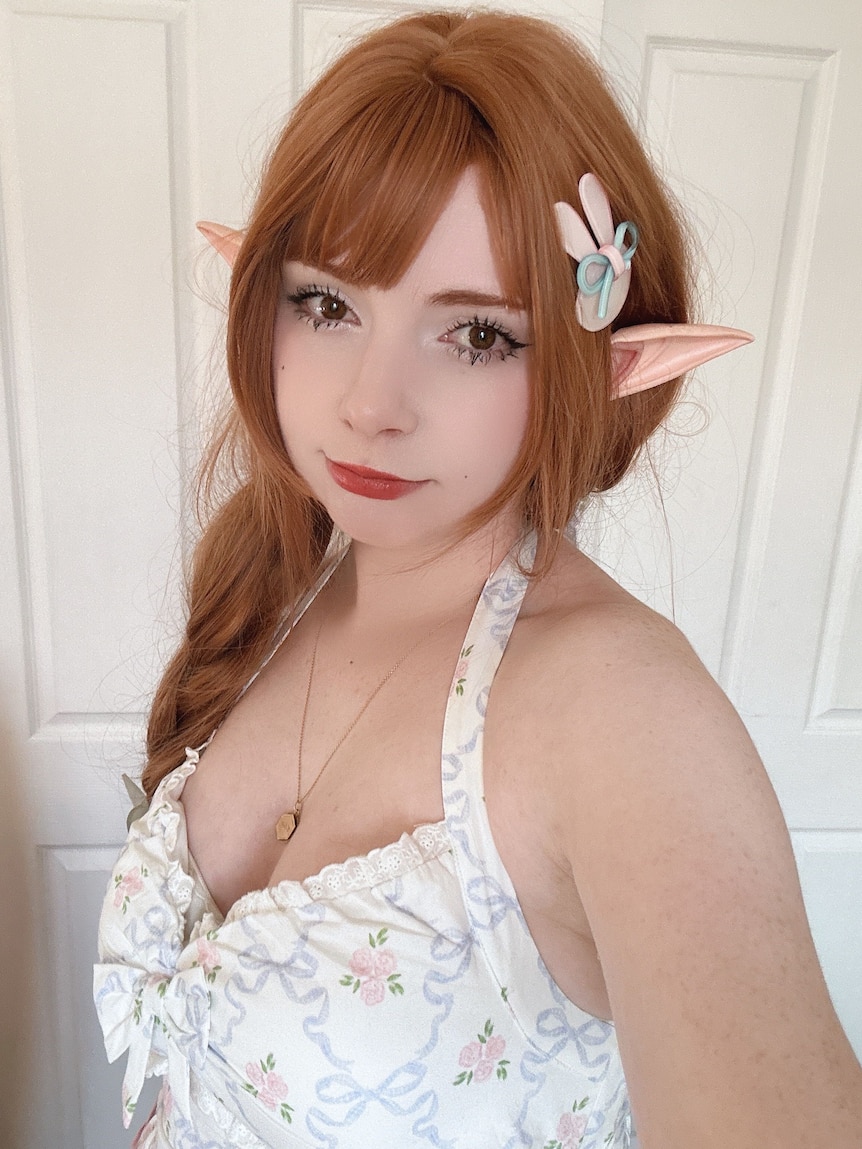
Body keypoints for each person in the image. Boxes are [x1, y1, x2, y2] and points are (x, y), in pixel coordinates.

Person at [93, 10, 862, 1148]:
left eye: (479, 337)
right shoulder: (283, 582)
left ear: (599, 364)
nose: (371, 403)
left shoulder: (620, 716)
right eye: (328, 305)